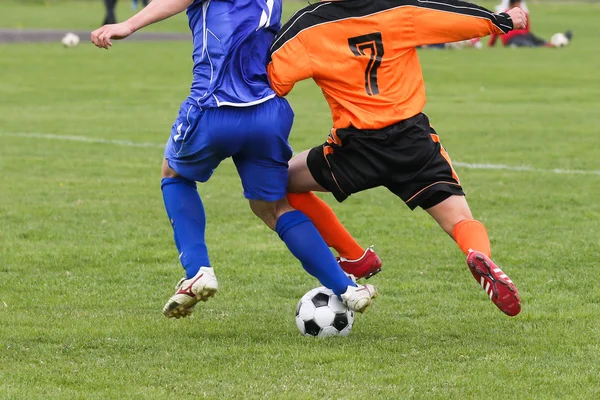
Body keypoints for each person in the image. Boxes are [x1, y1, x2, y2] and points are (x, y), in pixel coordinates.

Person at [90, 0, 378, 319]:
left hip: (214, 107)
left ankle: (198, 270)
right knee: (274, 206)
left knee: (175, 175)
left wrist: (128, 24)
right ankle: (347, 289)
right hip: (268, 112)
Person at [268, 0, 527, 316]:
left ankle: (353, 254)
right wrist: (500, 20)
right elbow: (450, 17)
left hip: (355, 148)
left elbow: (272, 75)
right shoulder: (397, 9)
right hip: (412, 142)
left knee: (280, 183)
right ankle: (477, 253)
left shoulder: (309, 25)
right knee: (460, 219)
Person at [489, 0, 572, 48]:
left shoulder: (523, 13)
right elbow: (497, 29)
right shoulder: (504, 14)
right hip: (511, 39)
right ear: (512, 4)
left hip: (523, 35)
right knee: (527, 44)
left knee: (536, 40)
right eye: (518, 3)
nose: (519, 5)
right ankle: (556, 42)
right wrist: (491, 44)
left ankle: (552, 44)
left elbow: (527, 29)